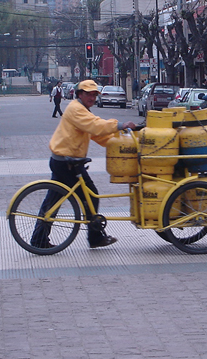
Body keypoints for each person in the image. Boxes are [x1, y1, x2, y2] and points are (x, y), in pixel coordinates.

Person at [31, 80, 137, 249]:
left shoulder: (82, 110)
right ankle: (94, 237)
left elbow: (97, 134)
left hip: (67, 160)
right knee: (88, 196)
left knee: (55, 201)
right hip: (67, 163)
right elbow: (95, 126)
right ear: (79, 94)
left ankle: (39, 239)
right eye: (88, 94)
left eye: (94, 95)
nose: (92, 97)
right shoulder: (75, 109)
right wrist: (120, 125)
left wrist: (120, 142)